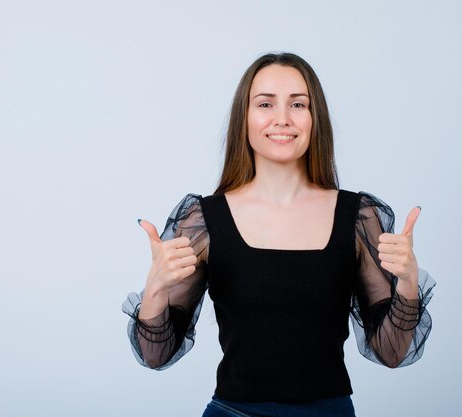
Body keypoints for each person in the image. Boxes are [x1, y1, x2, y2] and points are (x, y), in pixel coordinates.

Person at [122, 52, 435, 417]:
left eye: (298, 104)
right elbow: (155, 355)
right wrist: (156, 288)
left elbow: (392, 353)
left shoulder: (357, 217)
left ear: (315, 118)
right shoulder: (205, 221)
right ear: (245, 118)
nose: (282, 119)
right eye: (266, 103)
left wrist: (409, 285)